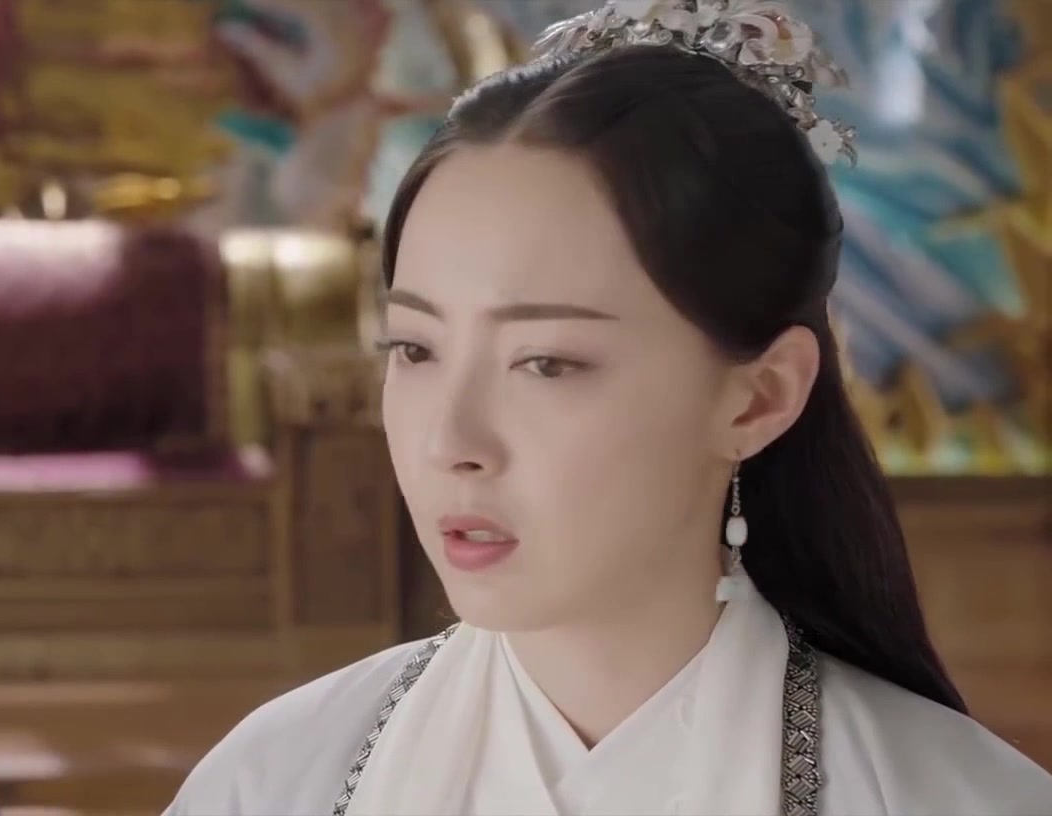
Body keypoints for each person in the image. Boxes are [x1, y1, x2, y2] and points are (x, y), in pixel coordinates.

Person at [165, 1, 1052, 814]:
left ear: (759, 397)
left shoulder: (949, 797)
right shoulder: (278, 780)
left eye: (547, 363)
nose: (451, 442)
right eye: (416, 349)